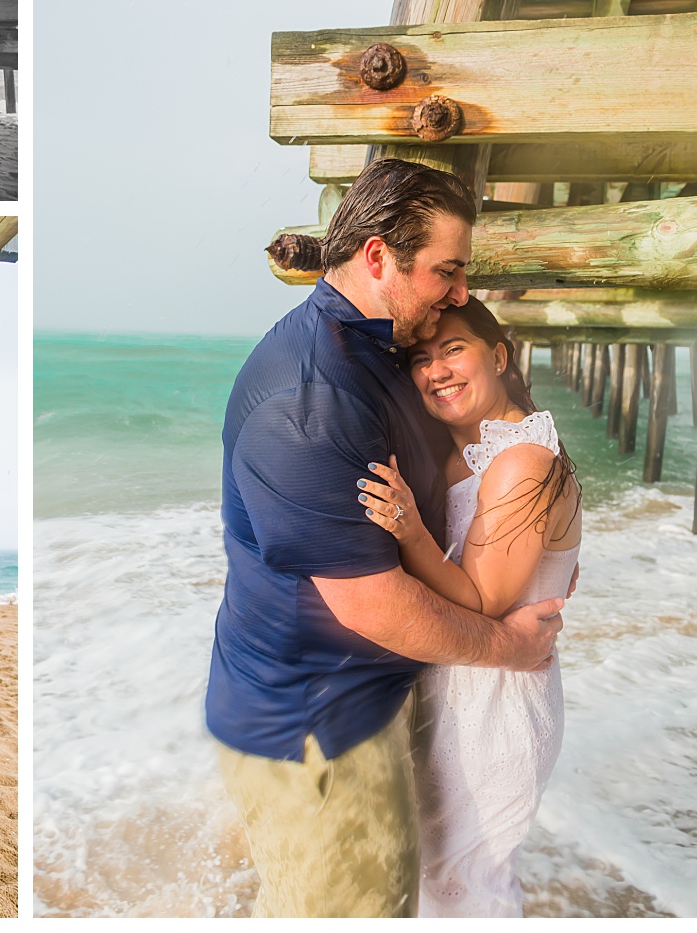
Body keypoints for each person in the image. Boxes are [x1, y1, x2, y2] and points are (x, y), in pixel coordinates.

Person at [205, 158, 565, 918]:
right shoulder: (313, 397)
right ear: (377, 256)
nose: (462, 294)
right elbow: (370, 605)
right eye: (447, 271)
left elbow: (470, 462)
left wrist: (542, 523)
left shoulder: (376, 352)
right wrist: (510, 647)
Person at [355, 297, 581, 916]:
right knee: (442, 878)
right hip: (461, 682)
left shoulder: (521, 463)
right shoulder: (470, 452)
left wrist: (407, 528)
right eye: (421, 359)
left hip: (496, 700)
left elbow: (484, 598)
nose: (436, 371)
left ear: (500, 356)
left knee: (467, 884)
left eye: (454, 349)